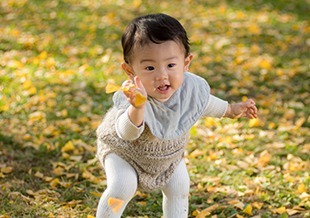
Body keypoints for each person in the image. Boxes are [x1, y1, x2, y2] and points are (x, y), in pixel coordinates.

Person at [96, 13, 258, 217]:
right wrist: (137, 108)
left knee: (179, 188)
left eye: (171, 65)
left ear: (186, 63)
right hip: (124, 152)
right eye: (149, 67)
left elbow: (205, 103)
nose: (162, 75)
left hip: (167, 155)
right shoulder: (132, 96)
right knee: (123, 187)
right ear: (130, 71)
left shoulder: (189, 89)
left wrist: (232, 109)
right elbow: (126, 133)